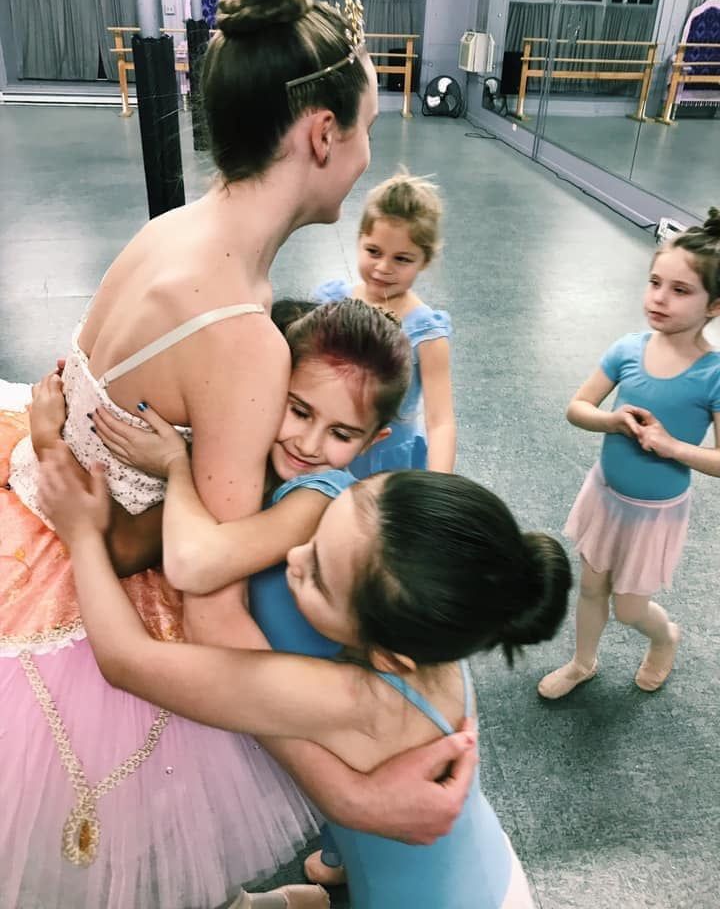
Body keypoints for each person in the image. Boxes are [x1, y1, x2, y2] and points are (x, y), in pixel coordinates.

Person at [0, 0, 476, 909]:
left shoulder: (175, 231)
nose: (367, 154)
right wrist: (350, 786)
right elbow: (210, 605)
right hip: (102, 593)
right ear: (322, 134)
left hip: (36, 517)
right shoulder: (243, 337)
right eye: (369, 131)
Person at [39, 451, 572, 909]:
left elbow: (126, 660)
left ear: (389, 656)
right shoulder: (446, 631)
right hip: (483, 865)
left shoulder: (353, 699)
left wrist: (82, 533)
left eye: (316, 574)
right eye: (315, 535)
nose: (293, 554)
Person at [87, 299, 411, 657]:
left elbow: (194, 566)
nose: (308, 445)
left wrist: (176, 465)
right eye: (300, 412)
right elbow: (134, 546)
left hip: (274, 691)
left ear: (372, 440)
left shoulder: (322, 498)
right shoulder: (254, 460)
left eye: (342, 434)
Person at [538, 209, 720, 700]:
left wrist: (671, 446)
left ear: (715, 306)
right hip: (605, 495)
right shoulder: (627, 349)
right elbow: (577, 407)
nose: (659, 298)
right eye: (655, 282)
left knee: (631, 608)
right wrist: (613, 420)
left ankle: (666, 638)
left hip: (654, 514)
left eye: (680, 290)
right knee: (592, 587)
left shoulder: (713, 374)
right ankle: (582, 663)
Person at [315, 171, 456, 475]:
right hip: (327, 447)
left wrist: (438, 488)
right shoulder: (332, 303)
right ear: (359, 242)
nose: (383, 268)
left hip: (386, 463)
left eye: (402, 259)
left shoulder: (426, 333)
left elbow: (440, 419)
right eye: (374, 252)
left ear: (425, 260)